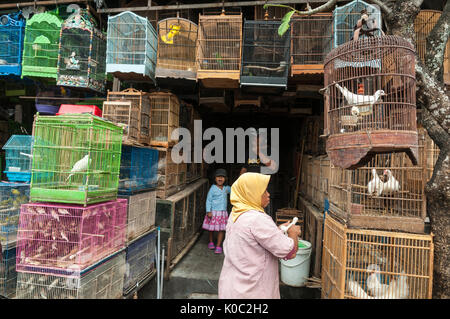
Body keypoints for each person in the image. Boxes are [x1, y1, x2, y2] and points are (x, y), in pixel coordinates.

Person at [218, 172, 301, 299]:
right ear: (251, 193)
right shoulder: (258, 219)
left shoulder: (236, 213)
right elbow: (290, 252)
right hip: (253, 291)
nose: (268, 194)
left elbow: (255, 238)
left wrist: (277, 230)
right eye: (263, 191)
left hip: (233, 287)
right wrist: (293, 233)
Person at [202, 168, 231, 254]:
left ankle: (218, 246)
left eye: (222, 177)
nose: (220, 178)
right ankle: (211, 242)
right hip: (213, 212)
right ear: (215, 178)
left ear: (225, 179)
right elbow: (208, 200)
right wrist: (208, 211)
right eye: (218, 177)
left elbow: (235, 190)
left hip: (222, 213)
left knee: (221, 229)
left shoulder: (226, 188)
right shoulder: (213, 188)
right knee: (211, 228)